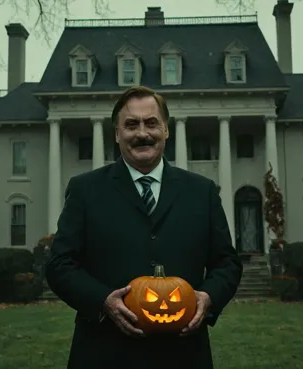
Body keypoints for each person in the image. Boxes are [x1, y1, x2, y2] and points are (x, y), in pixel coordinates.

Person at [45, 85, 242, 369]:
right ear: (116, 133)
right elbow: (59, 263)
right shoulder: (85, 190)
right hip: (104, 352)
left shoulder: (202, 192)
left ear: (166, 130)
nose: (142, 133)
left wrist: (208, 297)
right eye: (131, 124)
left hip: (184, 355)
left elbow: (227, 262)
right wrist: (103, 302)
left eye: (151, 123)